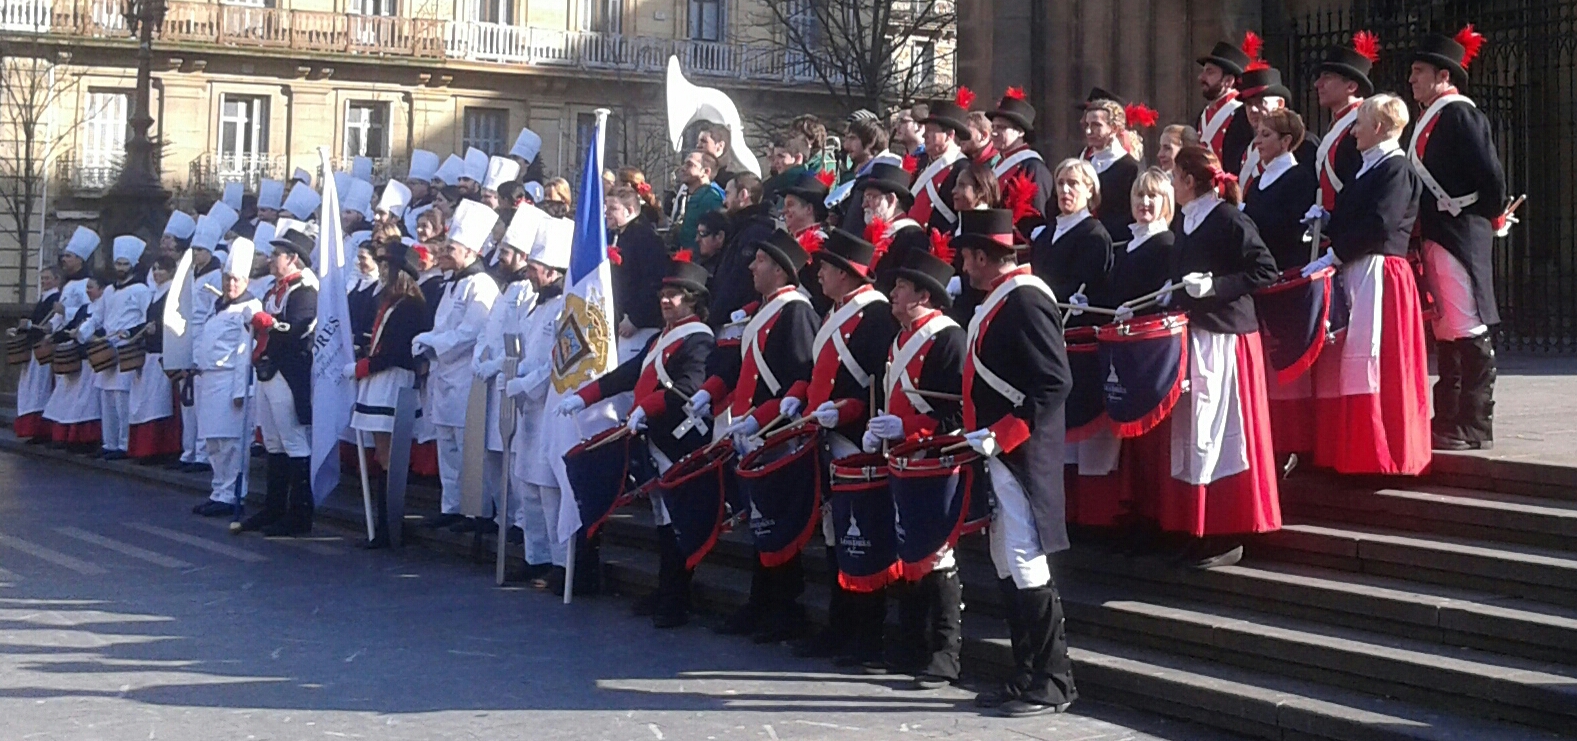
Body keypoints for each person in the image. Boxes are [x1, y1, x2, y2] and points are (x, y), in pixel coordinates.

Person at [952, 207, 1076, 718]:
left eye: (965, 255)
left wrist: (1002, 435)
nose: (961, 264)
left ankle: (1054, 679)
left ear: (983, 256)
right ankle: (1027, 672)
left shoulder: (1024, 299)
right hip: (999, 452)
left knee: (1026, 560)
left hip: (1021, 452)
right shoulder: (1000, 300)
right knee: (1007, 559)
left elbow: (1053, 381)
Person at [561, 256, 716, 628]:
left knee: (679, 519)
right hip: (656, 436)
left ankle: (677, 598)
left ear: (692, 300)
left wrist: (647, 408)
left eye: (674, 296)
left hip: (679, 440)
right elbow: (630, 375)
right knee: (663, 519)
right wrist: (584, 396)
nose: (666, 301)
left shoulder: (698, 339)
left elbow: (688, 387)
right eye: (663, 295)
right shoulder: (662, 338)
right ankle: (667, 590)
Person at [780, 229, 897, 670]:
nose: (819, 273)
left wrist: (845, 414)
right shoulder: (836, 312)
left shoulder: (875, 315)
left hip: (857, 437)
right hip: (827, 433)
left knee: (861, 536)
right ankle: (840, 624)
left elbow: (875, 380)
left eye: (826, 267)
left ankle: (867, 634)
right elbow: (814, 367)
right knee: (835, 535)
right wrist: (797, 393)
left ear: (847, 274)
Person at [693, 230, 817, 644]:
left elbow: (800, 376)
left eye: (760, 260)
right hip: (753, 430)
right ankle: (762, 602)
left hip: (776, 431)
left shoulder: (794, 311)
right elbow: (739, 366)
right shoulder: (764, 311)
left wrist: (765, 418)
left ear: (781, 269)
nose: (751, 267)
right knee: (761, 521)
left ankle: (784, 608)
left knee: (778, 522)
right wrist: (708, 391)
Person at [1160, 145, 1281, 568]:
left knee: (1224, 434)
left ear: (1190, 181)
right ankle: (1199, 526)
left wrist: (1214, 286)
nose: (1171, 184)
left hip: (1227, 339)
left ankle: (1228, 530)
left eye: (1174, 177)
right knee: (1195, 434)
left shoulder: (1229, 219)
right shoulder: (1186, 221)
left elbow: (1265, 270)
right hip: (1195, 337)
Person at [1306, 94, 1431, 476]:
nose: (1354, 131)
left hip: (1378, 273)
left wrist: (1336, 253)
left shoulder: (1395, 169)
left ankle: (1380, 455)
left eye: (1359, 123)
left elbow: (1380, 224)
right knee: (1350, 362)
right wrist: (1327, 221)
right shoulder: (1367, 168)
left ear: (1378, 127)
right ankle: (1352, 453)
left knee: (1374, 363)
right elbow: (1357, 216)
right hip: (1357, 269)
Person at [866, 247, 965, 691]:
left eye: (901, 287)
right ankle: (908, 643)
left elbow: (957, 412)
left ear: (924, 294)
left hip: (935, 461)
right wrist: (883, 431)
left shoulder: (947, 338)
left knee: (938, 553)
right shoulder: (899, 338)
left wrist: (906, 426)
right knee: (908, 551)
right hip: (902, 460)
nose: (893, 292)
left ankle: (945, 653)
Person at [1407, 25, 1508, 452]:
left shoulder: (1461, 114)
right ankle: (1447, 418)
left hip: (1459, 231)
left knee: (1466, 324)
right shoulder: (1432, 117)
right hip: (1439, 231)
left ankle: (1475, 423)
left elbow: (1491, 176)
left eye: (1418, 71)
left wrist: (1484, 213)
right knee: (1448, 328)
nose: (1411, 79)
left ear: (1442, 76)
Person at [413, 201, 501, 530]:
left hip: (467, 375)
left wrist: (433, 342)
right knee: (447, 444)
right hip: (444, 374)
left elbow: (470, 333)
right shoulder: (453, 283)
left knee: (468, 445)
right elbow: (443, 325)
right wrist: (429, 341)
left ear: (469, 251)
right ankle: (451, 505)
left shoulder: (481, 285)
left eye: (451, 247)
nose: (445, 252)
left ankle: (475, 509)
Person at [504, 215, 574, 590]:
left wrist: (527, 384)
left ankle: (561, 564)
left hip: (550, 405)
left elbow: (560, 359)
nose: (528, 274)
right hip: (527, 410)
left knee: (549, 489)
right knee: (526, 485)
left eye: (533, 268)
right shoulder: (535, 304)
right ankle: (536, 557)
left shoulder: (566, 305)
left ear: (551, 271)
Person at [346, 242, 429, 548]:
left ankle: (390, 524)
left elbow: (397, 351)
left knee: (390, 457)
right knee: (382, 455)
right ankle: (384, 524)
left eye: (386, 267)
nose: (381, 272)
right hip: (379, 380)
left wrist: (363, 366)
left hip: (392, 380)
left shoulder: (409, 306)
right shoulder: (389, 302)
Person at [237, 229, 319, 536]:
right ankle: (274, 508)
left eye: (277, 255)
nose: (272, 260)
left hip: (289, 371)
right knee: (272, 440)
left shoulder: (305, 290)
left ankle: (300, 514)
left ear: (293, 258)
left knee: (293, 440)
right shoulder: (275, 289)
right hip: (268, 370)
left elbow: (298, 327)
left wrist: (266, 323)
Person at [469, 211, 540, 544]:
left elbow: (521, 339)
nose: (501, 257)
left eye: (508, 251)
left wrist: (498, 363)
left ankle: (522, 521)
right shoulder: (507, 288)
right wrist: (480, 356)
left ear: (524, 256)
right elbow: (490, 329)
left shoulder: (528, 291)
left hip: (510, 378)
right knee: (494, 456)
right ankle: (503, 515)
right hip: (492, 380)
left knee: (513, 458)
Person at [190, 239, 262, 518]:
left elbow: (246, 351)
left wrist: (240, 390)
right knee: (213, 442)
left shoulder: (249, 308)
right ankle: (218, 490)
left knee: (232, 443)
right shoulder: (218, 305)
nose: (231, 285)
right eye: (227, 279)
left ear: (246, 281)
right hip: (209, 381)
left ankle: (234, 493)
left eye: (236, 280)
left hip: (230, 381)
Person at [42, 228, 102, 451]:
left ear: (79, 259)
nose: (64, 260)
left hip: (80, 343)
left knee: (82, 396)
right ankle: (65, 434)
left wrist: (65, 311)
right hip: (65, 342)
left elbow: (88, 310)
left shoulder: (86, 283)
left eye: (68, 256)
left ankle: (81, 437)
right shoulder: (68, 284)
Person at [94, 236, 152, 460]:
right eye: (118, 264)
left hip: (127, 349)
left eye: (125, 264)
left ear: (134, 265)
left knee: (122, 399)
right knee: (106, 398)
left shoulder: (140, 290)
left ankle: (124, 444)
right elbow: (98, 317)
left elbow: (146, 318)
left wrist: (130, 333)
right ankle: (108, 442)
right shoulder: (108, 291)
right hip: (107, 347)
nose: (120, 268)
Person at [1031, 158, 1112, 313]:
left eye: (1073, 183)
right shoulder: (1047, 233)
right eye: (1060, 183)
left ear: (1090, 190)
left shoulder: (1094, 236)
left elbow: (1091, 289)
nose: (1065, 190)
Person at [1242, 109, 1319, 270]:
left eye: (1266, 134)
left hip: (1288, 269)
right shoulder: (1256, 183)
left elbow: (1290, 231)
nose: (1257, 141)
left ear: (1285, 141)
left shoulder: (1300, 178)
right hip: (1260, 269)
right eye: (1258, 134)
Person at [1313, 31, 1378, 214]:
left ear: (1351, 86)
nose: (1318, 84)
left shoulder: (1363, 123)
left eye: (1327, 77)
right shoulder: (1339, 123)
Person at [126, 256, 181, 462]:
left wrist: (158, 328)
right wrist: (131, 332)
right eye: (155, 268)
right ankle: (146, 449)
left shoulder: (172, 294)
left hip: (162, 354)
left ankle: (160, 450)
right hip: (150, 355)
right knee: (147, 403)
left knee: (159, 404)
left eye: (162, 269)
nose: (157, 273)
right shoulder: (154, 294)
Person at [607, 185, 669, 360]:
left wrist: (636, 318)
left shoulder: (645, 238)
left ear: (629, 210)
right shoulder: (620, 235)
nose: (607, 213)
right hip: (621, 322)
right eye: (606, 207)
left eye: (613, 208)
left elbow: (654, 281)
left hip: (639, 328)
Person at [709, 172, 771, 325]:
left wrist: (714, 317)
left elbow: (738, 282)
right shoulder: (741, 229)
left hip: (737, 322)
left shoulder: (756, 232)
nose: (724, 201)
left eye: (728, 193)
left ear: (743, 195)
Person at [855, 162, 927, 290]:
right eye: (864, 198)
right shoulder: (869, 234)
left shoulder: (913, 238)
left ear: (890, 200)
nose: (864, 205)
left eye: (870, 197)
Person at [11, 266, 62, 443]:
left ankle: (41, 429)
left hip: (42, 349)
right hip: (35, 347)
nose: (44, 282)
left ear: (57, 280)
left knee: (40, 389)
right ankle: (33, 429)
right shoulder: (45, 298)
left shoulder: (55, 299)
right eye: (42, 279)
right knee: (32, 389)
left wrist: (33, 326)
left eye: (47, 278)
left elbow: (50, 324)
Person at [1196, 35, 1258, 177]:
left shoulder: (1243, 113)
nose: (1201, 77)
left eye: (1210, 72)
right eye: (1203, 71)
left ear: (1228, 81)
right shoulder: (1203, 115)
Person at [987, 87, 1053, 219]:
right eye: (993, 127)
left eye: (1001, 128)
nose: (993, 133)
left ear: (1020, 132)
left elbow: (1037, 214)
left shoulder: (1034, 167)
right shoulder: (994, 164)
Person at [1080, 98, 1143, 238]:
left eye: (1096, 125)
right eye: (1087, 125)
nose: (1089, 131)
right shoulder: (1084, 165)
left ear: (1114, 128)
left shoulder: (1130, 169)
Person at [908, 96, 971, 235]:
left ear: (949, 135)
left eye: (931, 130)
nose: (924, 135)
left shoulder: (963, 168)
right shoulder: (922, 162)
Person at [780, 171, 832, 312]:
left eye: (790, 205)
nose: (784, 211)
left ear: (809, 209)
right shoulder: (795, 240)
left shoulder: (820, 243)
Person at [675, 151, 725, 251]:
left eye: (690, 165)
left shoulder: (711, 199)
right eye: (684, 164)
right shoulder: (688, 196)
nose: (683, 168)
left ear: (706, 172)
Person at [403, 150, 440, 237]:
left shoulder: (430, 208)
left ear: (425, 185)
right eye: (408, 183)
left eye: (413, 183)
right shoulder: (406, 205)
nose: (409, 187)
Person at [696, 122, 737, 189]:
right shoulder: (693, 172)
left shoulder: (730, 182)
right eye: (698, 142)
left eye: (703, 141)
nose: (698, 146)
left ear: (719, 147)